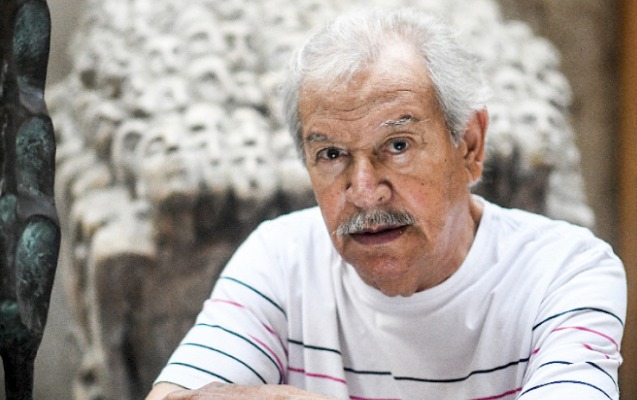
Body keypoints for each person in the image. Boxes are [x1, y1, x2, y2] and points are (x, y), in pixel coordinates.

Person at [146, 7, 626, 400]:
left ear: (469, 146)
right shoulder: (280, 258)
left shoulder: (564, 270)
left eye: (397, 145)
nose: (363, 191)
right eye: (331, 154)